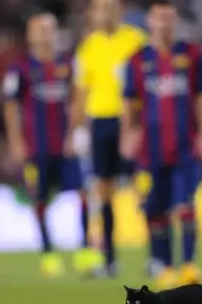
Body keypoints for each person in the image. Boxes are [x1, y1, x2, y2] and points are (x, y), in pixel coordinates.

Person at [122, 0, 202, 289]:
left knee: (185, 204)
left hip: (185, 146)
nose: (163, 23)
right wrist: (129, 131)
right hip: (150, 150)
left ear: (175, 20)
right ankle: (164, 266)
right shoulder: (137, 60)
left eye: (168, 17)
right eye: (158, 17)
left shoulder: (192, 55)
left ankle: (188, 265)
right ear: (149, 21)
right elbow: (130, 101)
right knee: (153, 209)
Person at [3, 13, 85, 277]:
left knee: (81, 193)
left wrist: (74, 133)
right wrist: (16, 142)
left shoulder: (68, 64)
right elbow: (11, 107)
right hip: (36, 145)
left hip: (64, 144)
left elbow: (76, 99)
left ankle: (86, 250)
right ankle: (48, 254)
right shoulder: (20, 69)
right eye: (38, 29)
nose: (44, 33)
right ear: (30, 35)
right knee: (39, 197)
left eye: (48, 28)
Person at [71, 0, 147, 277]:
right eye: (100, 8)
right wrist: (77, 129)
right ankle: (109, 259)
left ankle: (156, 256)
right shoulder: (88, 46)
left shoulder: (137, 41)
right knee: (104, 190)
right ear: (93, 13)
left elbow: (147, 83)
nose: (105, 13)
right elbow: (80, 92)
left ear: (120, 11)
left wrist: (140, 125)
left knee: (143, 186)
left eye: (110, 8)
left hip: (132, 121)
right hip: (101, 122)